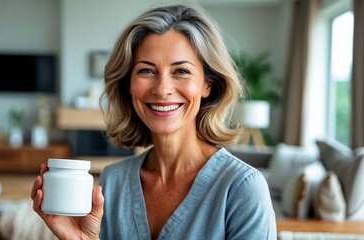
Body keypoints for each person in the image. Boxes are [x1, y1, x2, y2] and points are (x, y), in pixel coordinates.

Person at [32, 4, 276, 240]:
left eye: (181, 71)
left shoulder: (243, 188)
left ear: (207, 85)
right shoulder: (112, 181)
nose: (162, 89)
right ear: (129, 85)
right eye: (146, 71)